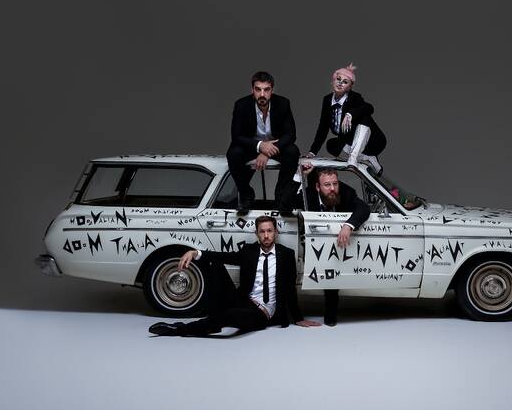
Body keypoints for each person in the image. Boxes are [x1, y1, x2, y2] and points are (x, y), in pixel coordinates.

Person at [148, 216, 320, 336]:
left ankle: (179, 330)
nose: (266, 236)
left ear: (276, 232)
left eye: (269, 231)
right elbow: (223, 257)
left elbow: (290, 288)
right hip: (243, 300)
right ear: (257, 234)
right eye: (262, 232)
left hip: (262, 313)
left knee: (229, 317)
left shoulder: (286, 255)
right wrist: (195, 253)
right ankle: (213, 321)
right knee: (215, 265)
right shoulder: (249, 251)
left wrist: (298, 319)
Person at [287, 164, 371, 326]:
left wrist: (349, 225)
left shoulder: (345, 192)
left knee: (333, 266)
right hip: (310, 241)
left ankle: (331, 312)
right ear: (317, 187)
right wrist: (299, 176)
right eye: (327, 185)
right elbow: (285, 202)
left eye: (335, 183)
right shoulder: (309, 194)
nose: (332, 189)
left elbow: (363, 208)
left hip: (336, 243)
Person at [227, 71, 299, 212]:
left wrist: (267, 152)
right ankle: (246, 194)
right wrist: (260, 147)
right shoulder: (241, 105)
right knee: (233, 153)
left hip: (274, 146)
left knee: (292, 151)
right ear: (252, 90)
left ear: (272, 90)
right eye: (258, 89)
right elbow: (236, 136)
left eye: (266, 90)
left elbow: (291, 134)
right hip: (251, 146)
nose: (262, 94)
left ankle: (281, 197)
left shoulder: (283, 103)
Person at [306, 64, 387, 175]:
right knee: (332, 145)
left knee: (364, 115)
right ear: (333, 81)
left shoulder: (355, 97)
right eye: (338, 79)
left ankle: (353, 159)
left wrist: (350, 114)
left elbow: (369, 107)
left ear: (350, 86)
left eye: (345, 82)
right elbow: (323, 127)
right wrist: (312, 152)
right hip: (350, 140)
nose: (340, 83)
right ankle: (368, 158)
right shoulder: (327, 100)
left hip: (373, 141)